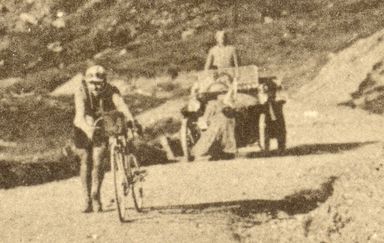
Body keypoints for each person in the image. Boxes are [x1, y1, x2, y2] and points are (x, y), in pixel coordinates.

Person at [73, 65, 134, 213]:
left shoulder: (111, 90)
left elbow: (122, 106)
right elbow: (80, 115)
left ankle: (96, 196)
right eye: (92, 82)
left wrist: (131, 121)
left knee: (98, 160)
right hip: (83, 125)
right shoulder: (81, 92)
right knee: (86, 160)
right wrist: (88, 130)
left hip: (102, 124)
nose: (95, 86)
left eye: (99, 83)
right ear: (87, 82)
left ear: (105, 81)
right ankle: (87, 199)